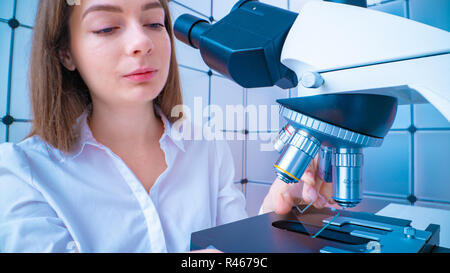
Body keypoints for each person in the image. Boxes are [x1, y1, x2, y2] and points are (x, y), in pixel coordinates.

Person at [0, 0, 338, 253]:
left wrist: (273, 217)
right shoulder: (21, 173)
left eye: (153, 23)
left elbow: (234, 252)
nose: (141, 43)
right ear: (65, 54)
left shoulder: (205, 146)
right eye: (106, 27)